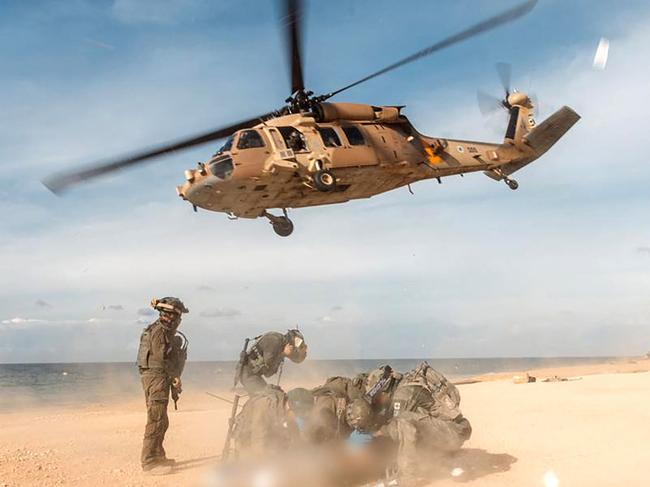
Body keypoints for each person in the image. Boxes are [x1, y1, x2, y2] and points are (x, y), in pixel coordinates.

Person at [379, 362, 472, 485]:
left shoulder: (402, 394)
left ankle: (408, 479)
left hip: (453, 433)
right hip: (458, 429)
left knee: (403, 421)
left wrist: (380, 432)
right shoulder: (410, 383)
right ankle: (455, 465)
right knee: (415, 427)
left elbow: (399, 430)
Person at [136, 296, 189, 475]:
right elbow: (161, 358)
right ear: (169, 315)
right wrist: (175, 376)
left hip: (159, 377)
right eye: (177, 316)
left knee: (162, 420)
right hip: (157, 377)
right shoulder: (159, 331)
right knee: (156, 419)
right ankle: (149, 462)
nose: (178, 320)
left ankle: (158, 456)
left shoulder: (163, 331)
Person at [236, 329, 307, 395]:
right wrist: (283, 354)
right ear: (290, 345)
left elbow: (297, 359)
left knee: (274, 394)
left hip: (253, 374)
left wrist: (303, 352)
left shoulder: (282, 345)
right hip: (247, 374)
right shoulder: (274, 341)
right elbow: (268, 373)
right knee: (266, 397)